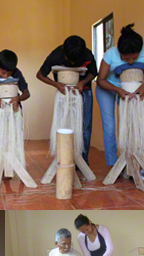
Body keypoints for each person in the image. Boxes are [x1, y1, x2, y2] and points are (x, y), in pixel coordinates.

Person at [95, 23, 144, 167]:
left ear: (141, 50)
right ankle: (114, 165)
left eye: (135, 58)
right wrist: (118, 90)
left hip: (131, 89)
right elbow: (100, 80)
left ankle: (132, 164)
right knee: (110, 127)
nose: (131, 61)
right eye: (126, 59)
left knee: (130, 123)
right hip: (107, 88)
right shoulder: (110, 54)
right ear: (119, 51)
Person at [37, 35, 98, 163]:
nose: (72, 64)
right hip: (63, 92)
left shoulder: (87, 54)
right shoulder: (56, 55)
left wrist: (83, 82)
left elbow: (93, 72)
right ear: (64, 51)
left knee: (84, 128)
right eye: (69, 60)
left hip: (84, 90)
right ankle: (64, 158)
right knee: (64, 124)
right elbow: (40, 74)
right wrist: (57, 84)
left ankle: (82, 161)